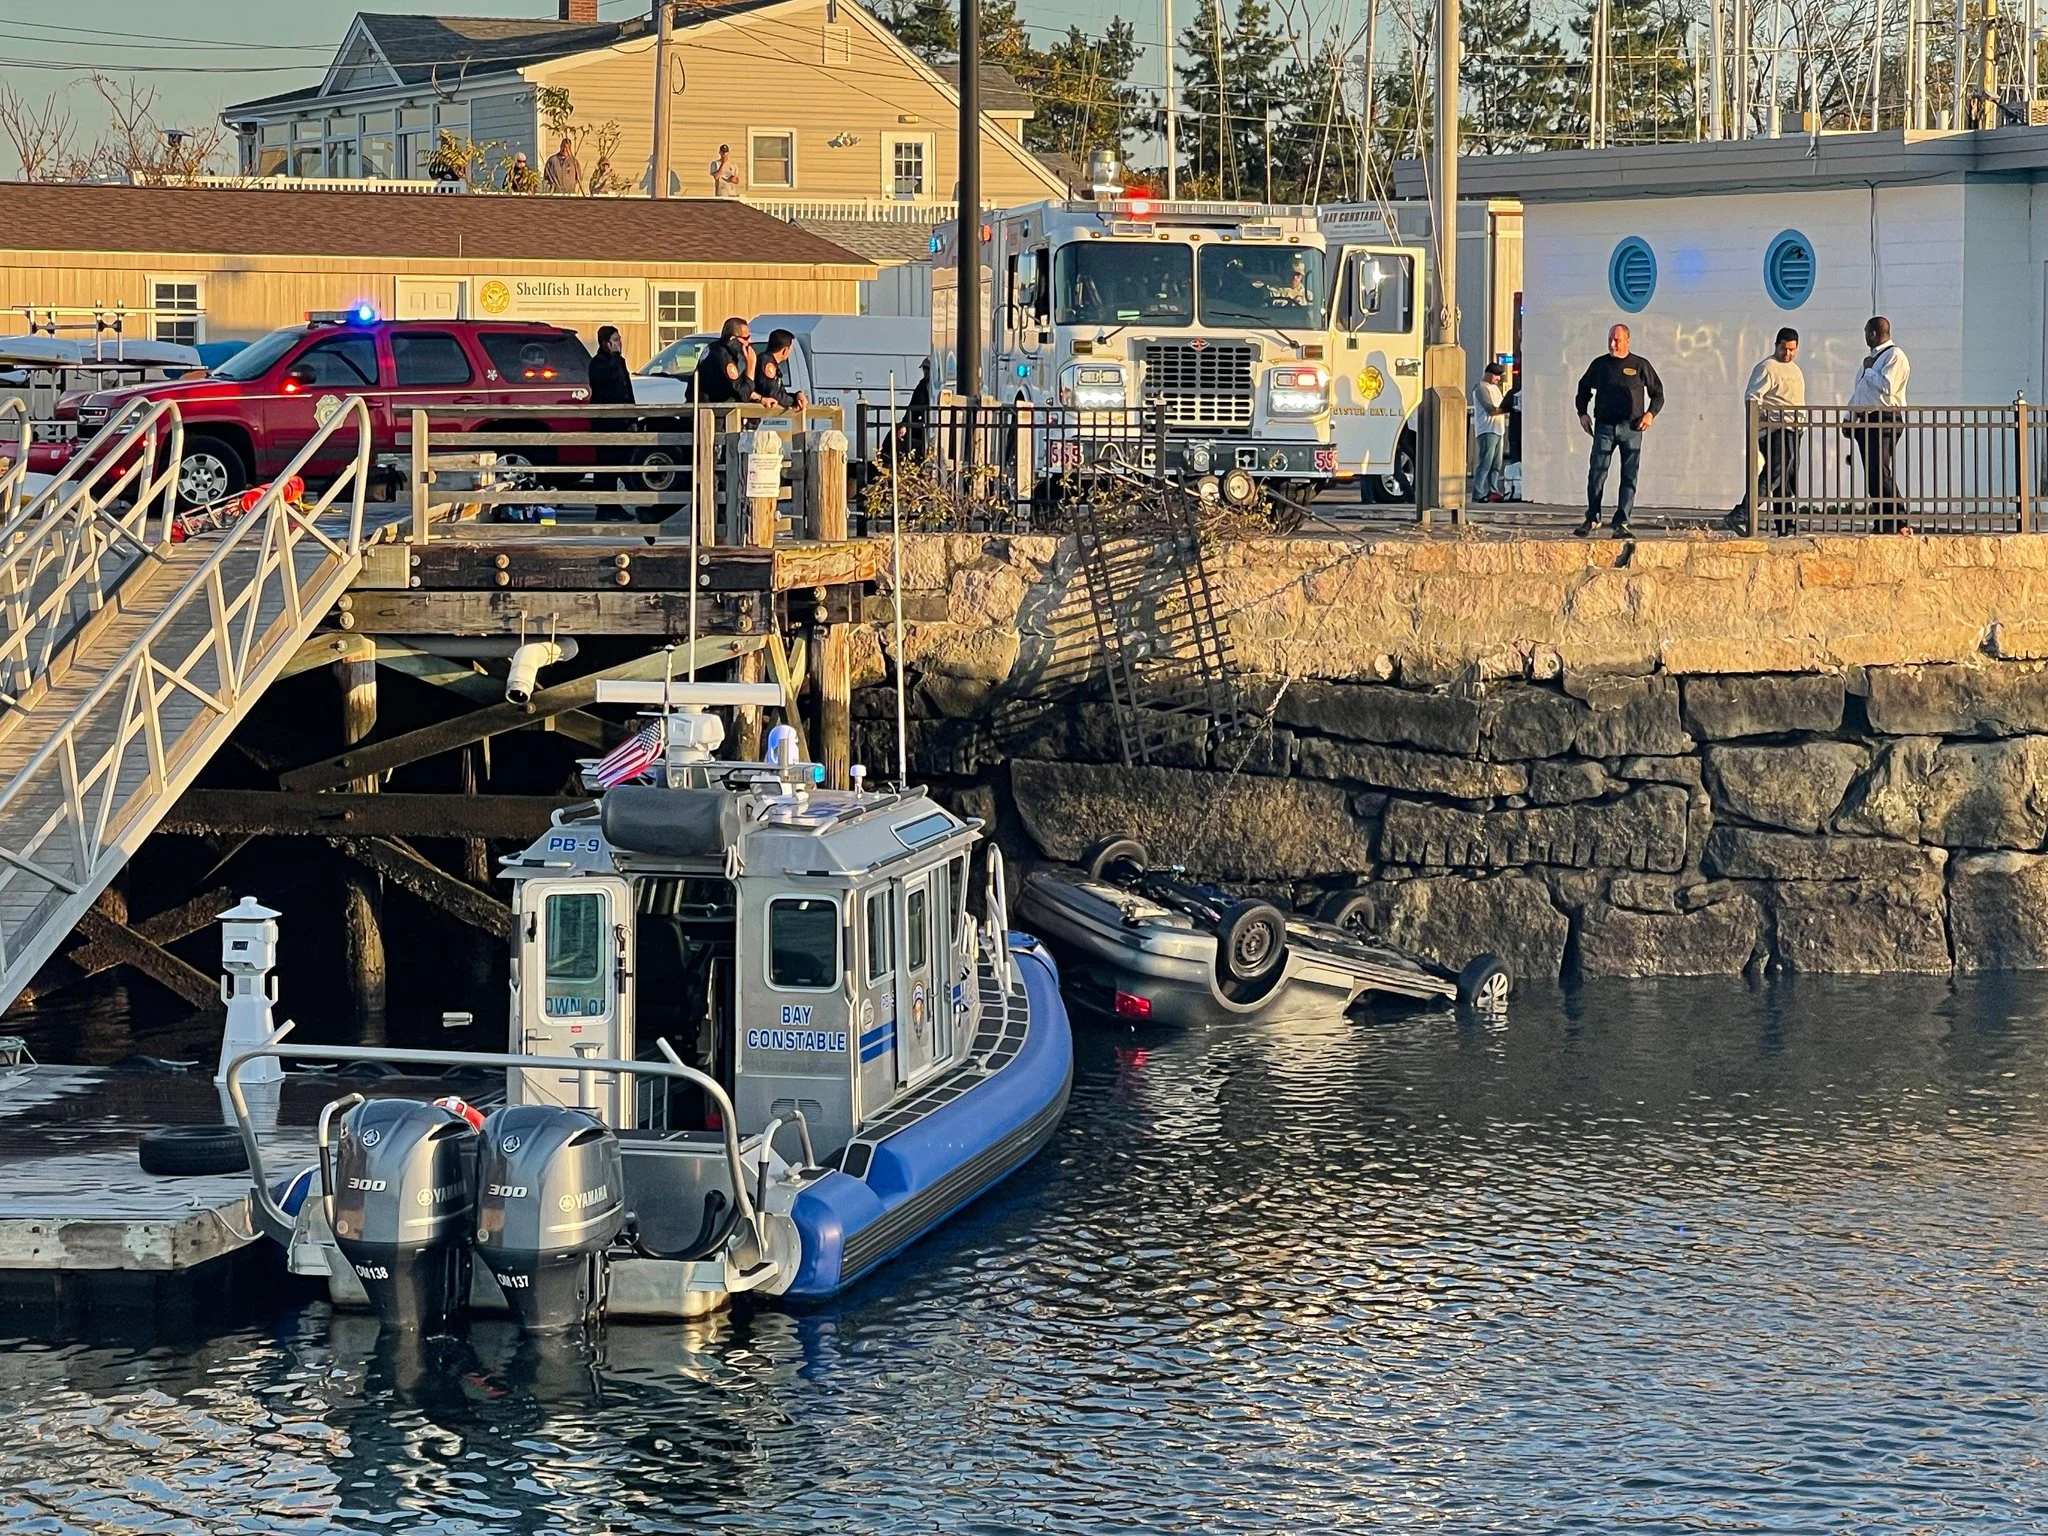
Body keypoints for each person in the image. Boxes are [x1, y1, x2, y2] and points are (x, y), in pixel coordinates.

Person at [1574, 322, 1665, 539]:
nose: (1613, 344)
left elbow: (1658, 393)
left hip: (1632, 428)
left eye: (1617, 340)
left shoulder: (1640, 365)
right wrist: (1582, 413)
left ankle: (1621, 522)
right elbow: (1583, 388)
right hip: (1604, 427)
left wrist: (1650, 414)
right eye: (1610, 340)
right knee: (1597, 472)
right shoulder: (1600, 365)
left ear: (1627, 341)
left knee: (1629, 476)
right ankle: (1593, 517)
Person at [1725, 327, 1805, 533]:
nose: (1787, 354)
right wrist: (1762, 416)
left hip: (1793, 428)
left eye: (1792, 349)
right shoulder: (1767, 367)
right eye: (1784, 349)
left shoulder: (1795, 370)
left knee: (1785, 478)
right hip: (1775, 429)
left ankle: (1785, 525)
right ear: (1776, 345)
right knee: (1776, 470)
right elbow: (1752, 396)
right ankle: (1743, 512)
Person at [1847, 315, 1910, 532]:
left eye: (1866, 332)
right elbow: (1860, 393)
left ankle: (1899, 518)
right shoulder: (1871, 360)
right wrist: (1850, 417)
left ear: (1873, 333)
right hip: (1867, 419)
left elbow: (1888, 387)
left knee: (1880, 470)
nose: (1865, 336)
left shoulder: (1895, 356)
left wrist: (1871, 369)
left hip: (1885, 418)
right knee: (1872, 473)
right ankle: (1883, 520)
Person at [587, 324, 636, 518]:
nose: (619, 344)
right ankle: (605, 506)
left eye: (620, 340)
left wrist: (632, 416)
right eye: (615, 340)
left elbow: (626, 390)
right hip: (605, 422)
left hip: (622, 420)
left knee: (620, 462)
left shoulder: (619, 362)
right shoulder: (598, 364)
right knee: (606, 464)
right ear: (606, 343)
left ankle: (613, 504)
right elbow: (608, 384)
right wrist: (615, 358)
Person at [692, 316, 755, 404]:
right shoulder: (724, 357)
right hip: (712, 411)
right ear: (733, 339)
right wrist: (751, 365)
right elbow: (743, 395)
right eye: (746, 338)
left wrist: (761, 398)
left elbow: (735, 388)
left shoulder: (716, 348)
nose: (749, 341)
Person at [1471, 362, 1509, 502]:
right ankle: (1478, 493)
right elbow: (1490, 409)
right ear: (1488, 374)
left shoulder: (1495, 389)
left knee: (1496, 464)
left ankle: (1493, 490)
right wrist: (1509, 408)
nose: (1498, 379)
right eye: (1496, 375)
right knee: (1485, 463)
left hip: (1498, 430)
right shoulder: (1481, 388)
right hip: (1487, 430)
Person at [753, 329, 809, 411]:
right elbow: (773, 395)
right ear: (785, 350)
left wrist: (797, 395)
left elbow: (780, 393)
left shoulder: (770, 361)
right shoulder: (768, 363)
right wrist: (794, 401)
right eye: (790, 348)